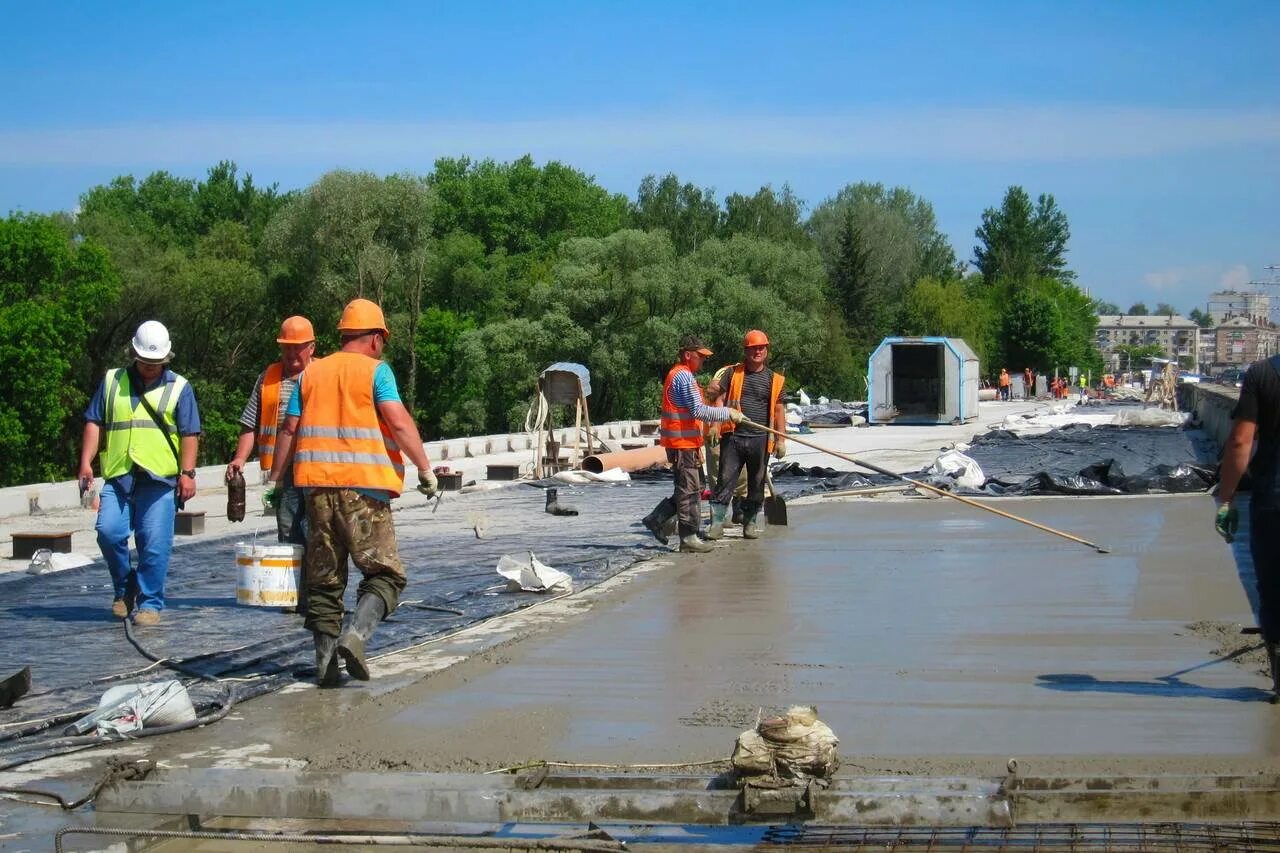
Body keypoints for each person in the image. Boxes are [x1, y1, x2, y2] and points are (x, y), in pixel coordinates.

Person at [267, 299, 437, 686]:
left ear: (343, 335)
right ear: (376, 338)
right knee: (385, 575)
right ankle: (356, 636)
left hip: (315, 492)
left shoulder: (311, 374)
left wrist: (277, 481)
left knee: (324, 582)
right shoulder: (377, 372)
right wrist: (425, 469)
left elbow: (289, 429)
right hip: (363, 493)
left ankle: (325, 669)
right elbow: (397, 420)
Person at [78, 321, 201, 626]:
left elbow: (190, 433)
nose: (150, 368)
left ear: (166, 359)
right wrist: (86, 462)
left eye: (156, 363)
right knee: (108, 532)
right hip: (119, 476)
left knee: (154, 544)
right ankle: (124, 586)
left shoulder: (179, 388)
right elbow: (95, 422)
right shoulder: (112, 382)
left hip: (159, 480)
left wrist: (188, 473)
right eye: (146, 362)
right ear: (134, 354)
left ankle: (149, 604)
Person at [225, 316, 316, 613]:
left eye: (297, 348)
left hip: (317, 468)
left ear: (311, 347)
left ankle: (317, 595)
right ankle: (293, 595)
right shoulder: (269, 378)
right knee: (288, 530)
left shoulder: (324, 375)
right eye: (286, 349)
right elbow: (250, 424)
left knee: (317, 529)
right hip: (284, 473)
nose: (291, 355)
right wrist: (240, 457)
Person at [1214, 353, 1280, 702]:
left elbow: (1241, 441)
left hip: (1274, 498)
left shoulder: (1263, 375)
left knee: (1273, 591)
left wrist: (1226, 499)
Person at [640, 335, 743, 553]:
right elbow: (699, 411)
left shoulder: (683, 376)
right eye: (700, 356)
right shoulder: (683, 377)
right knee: (688, 490)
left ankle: (657, 518)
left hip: (687, 443)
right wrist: (728, 413)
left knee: (697, 487)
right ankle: (688, 537)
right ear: (688, 355)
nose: (703, 361)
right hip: (681, 443)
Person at [707, 330, 786, 541]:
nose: (757, 352)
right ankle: (716, 525)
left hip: (760, 439)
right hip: (733, 436)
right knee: (724, 480)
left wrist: (781, 440)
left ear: (766, 350)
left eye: (761, 348)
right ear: (746, 351)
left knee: (757, 483)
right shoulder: (733, 374)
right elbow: (720, 400)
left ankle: (749, 523)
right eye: (753, 348)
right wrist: (715, 425)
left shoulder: (775, 380)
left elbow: (779, 410)